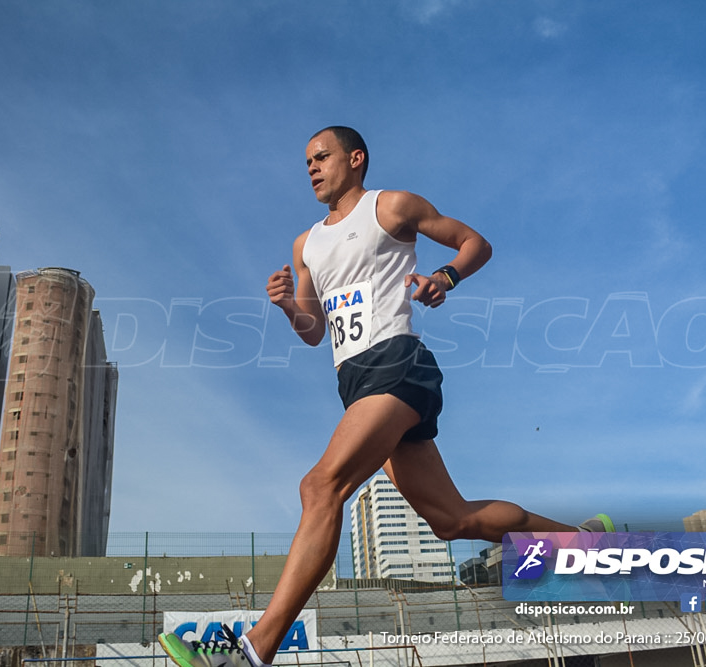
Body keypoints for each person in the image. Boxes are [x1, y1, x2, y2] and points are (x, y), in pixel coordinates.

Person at [158, 126, 614, 667]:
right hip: (356, 382)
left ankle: (254, 651)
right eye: (306, 162)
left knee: (319, 486)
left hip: (398, 364)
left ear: (355, 159)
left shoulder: (391, 207)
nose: (311, 168)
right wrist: (286, 305)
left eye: (321, 157)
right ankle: (585, 545)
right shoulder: (307, 244)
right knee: (452, 520)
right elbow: (313, 330)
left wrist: (444, 276)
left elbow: (476, 243)